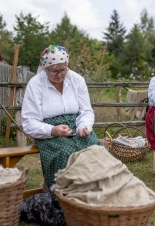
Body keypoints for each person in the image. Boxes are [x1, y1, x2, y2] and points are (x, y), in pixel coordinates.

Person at [21, 45, 99, 189]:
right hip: (48, 133)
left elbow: (86, 111)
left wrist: (84, 126)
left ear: (67, 65)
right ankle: (63, 197)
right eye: (54, 71)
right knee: (66, 154)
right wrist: (53, 130)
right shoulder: (36, 84)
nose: (59, 74)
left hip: (76, 126)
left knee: (95, 148)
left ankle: (93, 195)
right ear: (45, 69)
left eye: (63, 69)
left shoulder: (77, 80)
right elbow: (28, 122)